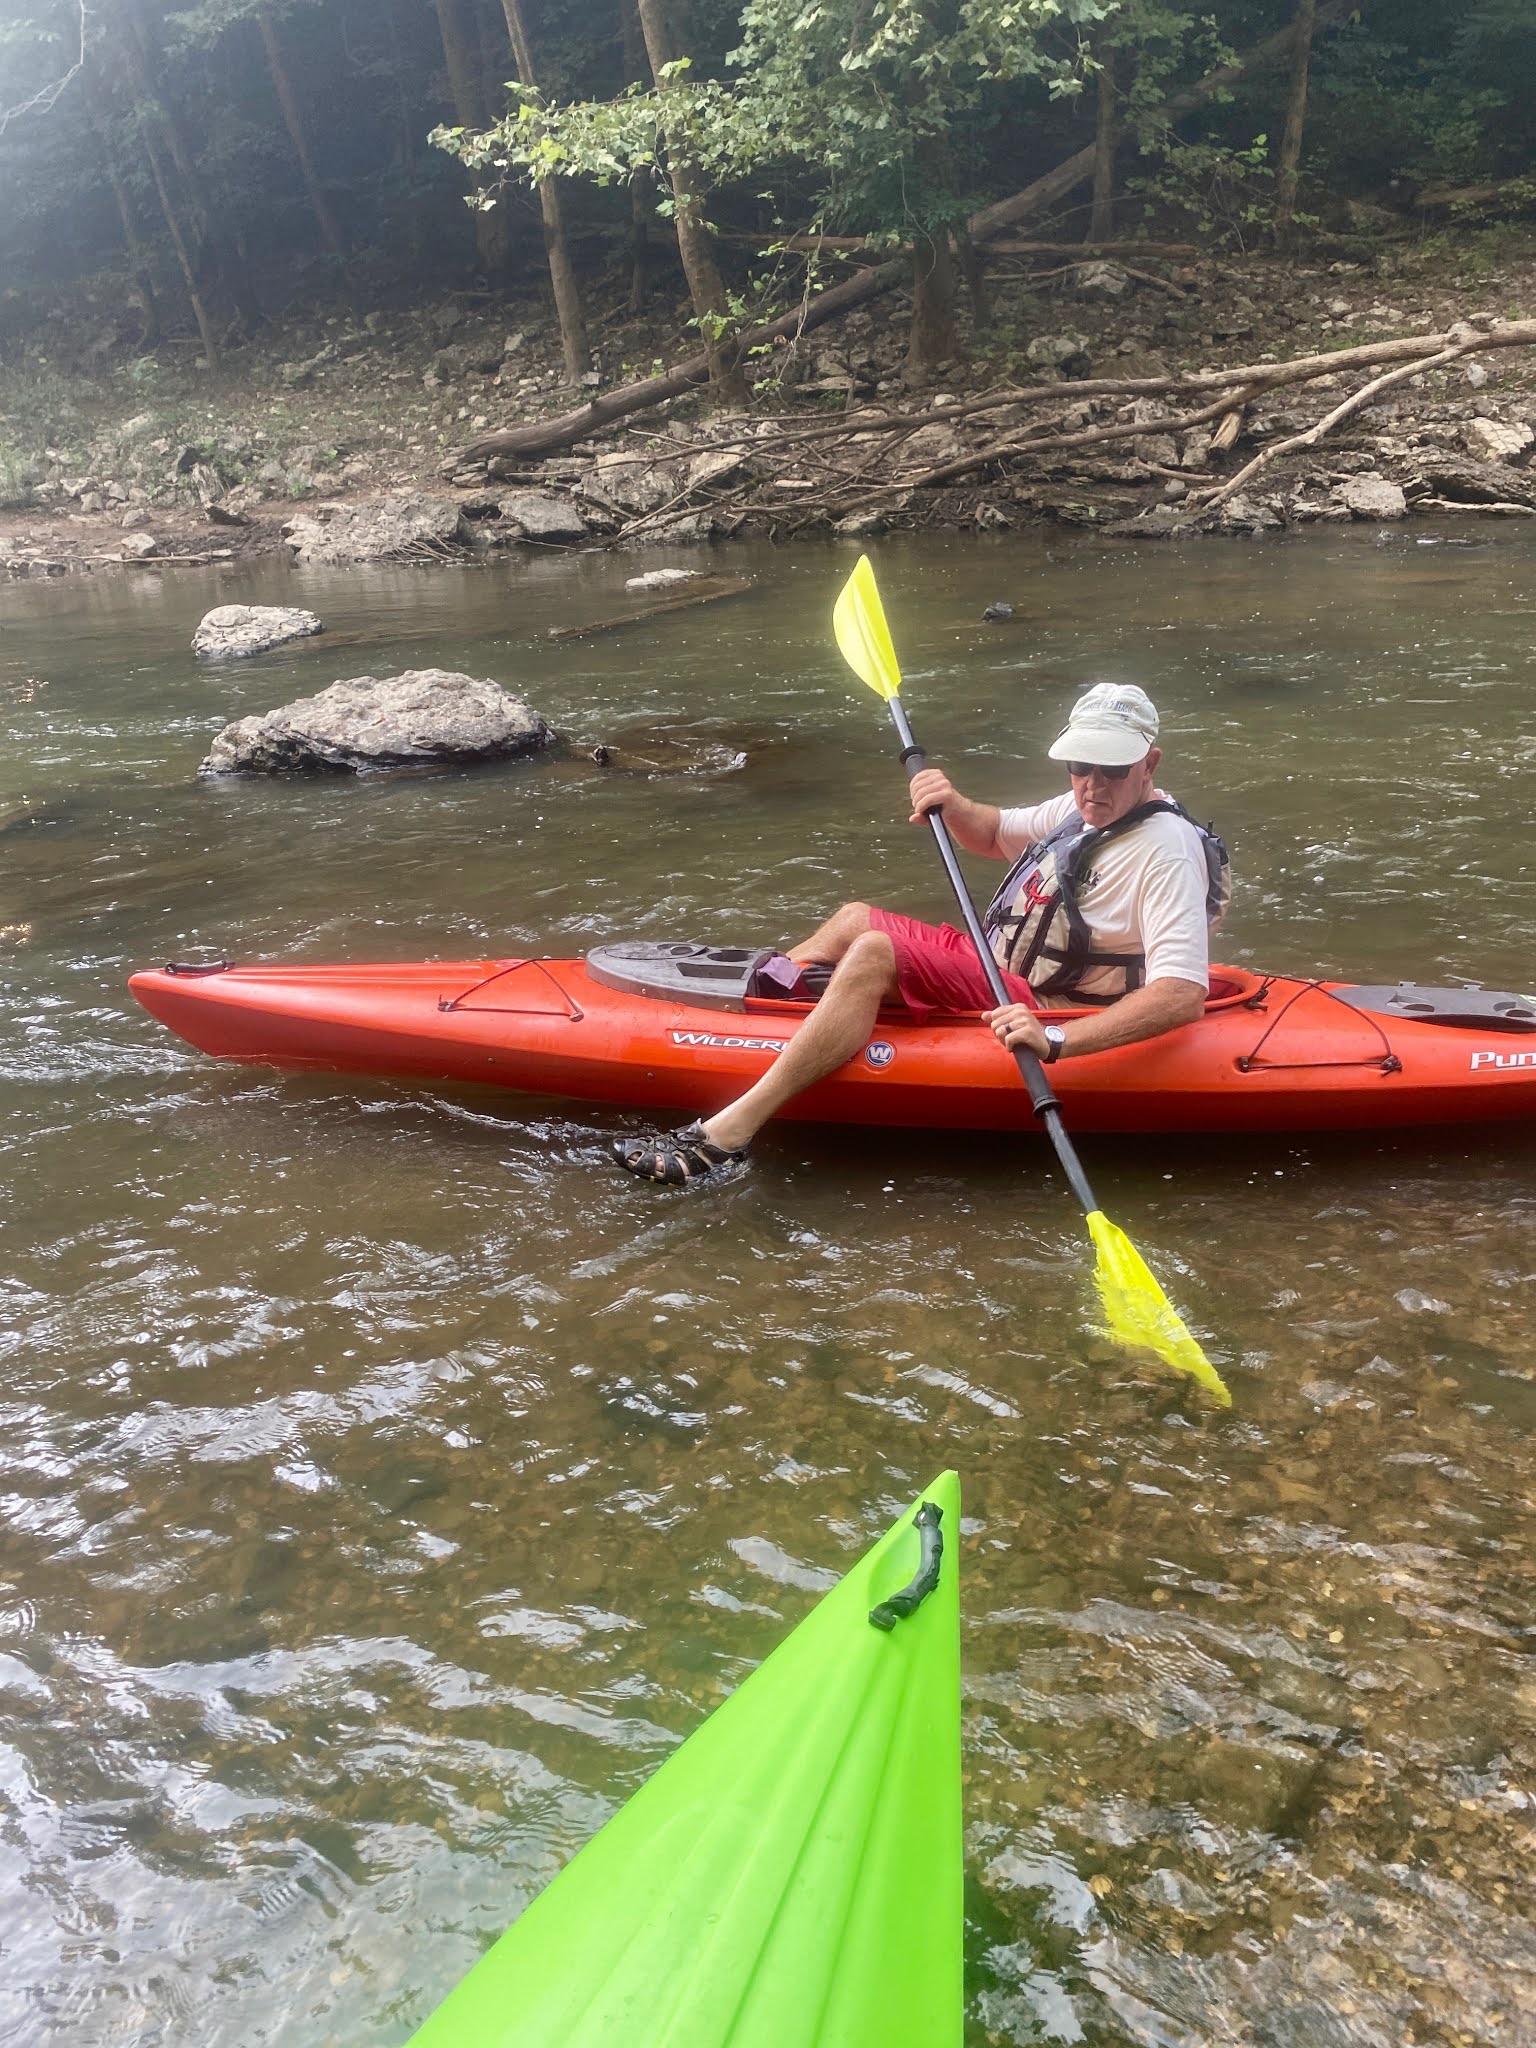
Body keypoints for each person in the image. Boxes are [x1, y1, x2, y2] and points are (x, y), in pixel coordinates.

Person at [614, 682, 1229, 1184]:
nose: (1092, 784)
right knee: (856, 918)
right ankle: (763, 1017)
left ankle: (731, 1131)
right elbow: (991, 834)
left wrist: (1058, 1042)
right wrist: (952, 801)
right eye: (1079, 765)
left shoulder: (1166, 850)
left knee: (876, 950)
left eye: (1112, 769)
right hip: (1001, 965)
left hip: (1051, 1005)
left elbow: (1180, 995)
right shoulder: (1083, 807)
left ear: (1149, 763)